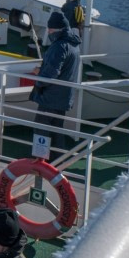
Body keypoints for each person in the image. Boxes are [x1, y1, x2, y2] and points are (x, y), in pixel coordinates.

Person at [30, 11, 80, 153]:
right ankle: (58, 159)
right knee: (57, 128)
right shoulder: (74, 44)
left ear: (55, 29)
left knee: (41, 127)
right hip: (64, 96)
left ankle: (40, 158)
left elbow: (51, 73)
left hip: (51, 98)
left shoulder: (59, 46)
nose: (49, 32)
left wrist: (38, 76)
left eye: (50, 29)